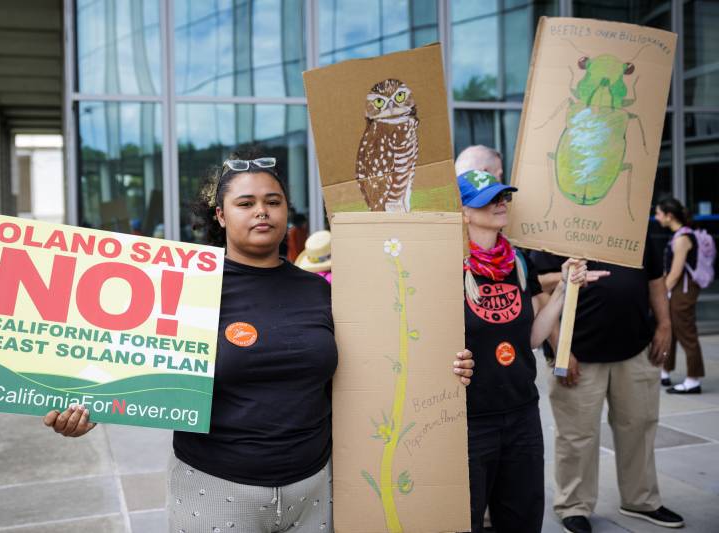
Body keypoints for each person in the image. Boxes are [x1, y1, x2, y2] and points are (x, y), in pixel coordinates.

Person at [43, 154, 475, 532]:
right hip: (214, 491)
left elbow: (375, 365)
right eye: (245, 203)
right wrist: (86, 405)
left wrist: (442, 365)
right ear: (220, 216)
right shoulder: (187, 288)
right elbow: (121, 366)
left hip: (314, 492)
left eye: (273, 201)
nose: (261, 212)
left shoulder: (321, 291)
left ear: (288, 210)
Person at [457, 170, 595, 533]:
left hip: (522, 415)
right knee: (465, 520)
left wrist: (564, 289)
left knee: (522, 518)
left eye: (504, 197)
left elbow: (532, 338)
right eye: (489, 199)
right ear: (464, 212)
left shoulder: (517, 262)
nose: (501, 204)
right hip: (469, 421)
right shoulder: (446, 267)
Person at [531, 238, 685, 533]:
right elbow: (537, 288)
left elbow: (655, 279)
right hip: (578, 355)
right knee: (577, 436)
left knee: (639, 427)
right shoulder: (560, 227)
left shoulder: (640, 224)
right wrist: (561, 348)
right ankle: (573, 505)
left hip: (636, 348)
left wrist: (664, 325)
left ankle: (641, 500)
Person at [655, 197, 706, 394]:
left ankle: (693, 380)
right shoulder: (678, 235)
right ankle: (665, 372)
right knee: (673, 331)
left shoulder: (683, 238)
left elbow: (675, 272)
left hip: (683, 291)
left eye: (659, 213)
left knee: (686, 333)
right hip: (679, 290)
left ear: (669, 216)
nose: (657, 217)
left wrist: (661, 293)